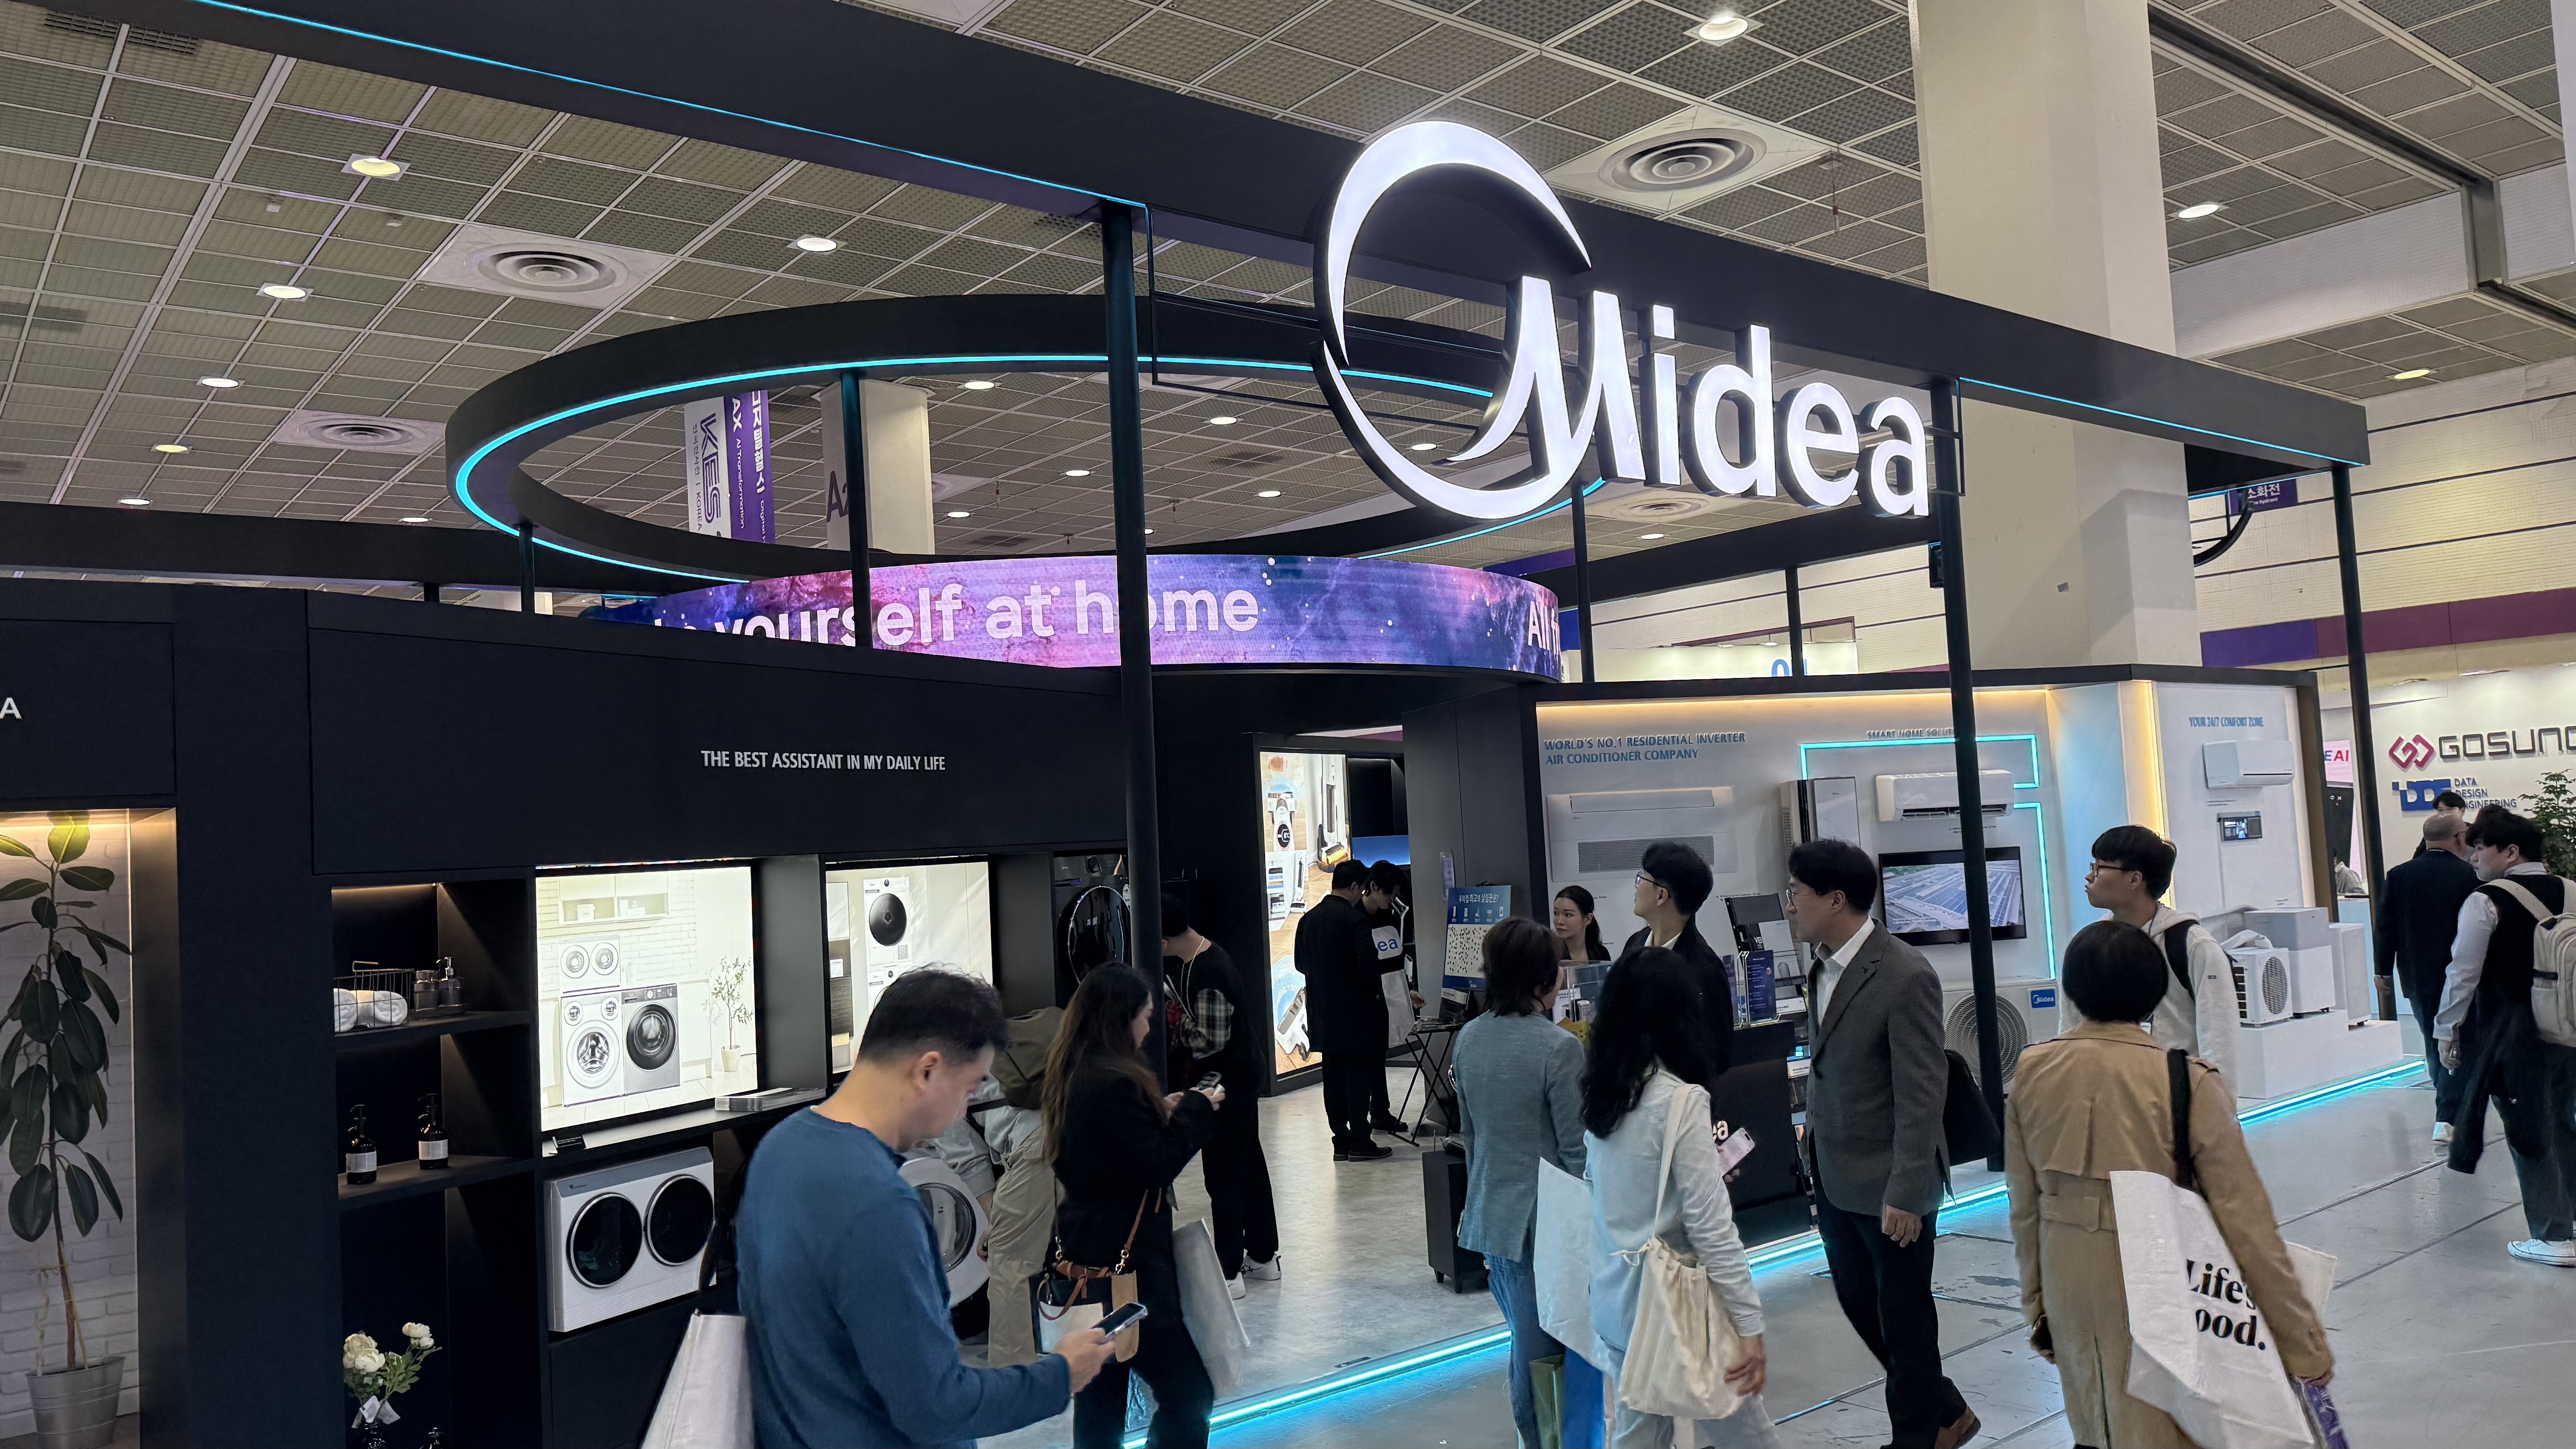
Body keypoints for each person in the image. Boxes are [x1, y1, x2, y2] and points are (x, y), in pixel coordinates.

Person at [737, 970, 1115, 1448]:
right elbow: (937, 1407)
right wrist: (1061, 1375)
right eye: (970, 1088)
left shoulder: (778, 1149)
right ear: (928, 1070)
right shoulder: (878, 1206)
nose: (964, 1111)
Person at [2007, 920, 2332, 1447]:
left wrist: (2037, 1303)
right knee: (2163, 1426)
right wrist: (2301, 1342)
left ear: (2072, 988)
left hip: (2069, 1274)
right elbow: (2247, 1225)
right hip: (2162, 1275)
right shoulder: (2186, 1079)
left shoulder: (2032, 1070)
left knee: (2096, 1421)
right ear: (2154, 992)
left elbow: (2024, 1204)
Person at [1783, 839, 1974, 1449]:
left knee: (1905, 1320)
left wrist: (1908, 1191)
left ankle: (1918, 1438)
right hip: (1835, 1173)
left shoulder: (1904, 975)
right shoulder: (1822, 965)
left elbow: (1922, 1092)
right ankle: (1946, 1410)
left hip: (1890, 1179)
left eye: (1797, 893)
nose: (1789, 904)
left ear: (1835, 899)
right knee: (1859, 1302)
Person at [1581, 946, 1774, 1449]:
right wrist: (1748, 1321)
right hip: (1676, 1310)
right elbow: (1711, 1227)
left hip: (1618, 1301)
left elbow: (1609, 1193)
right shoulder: (1681, 1100)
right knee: (1748, 1434)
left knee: (1639, 1435)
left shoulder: (1605, 1096)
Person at [1044, 965, 1224, 1447]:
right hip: (1128, 1266)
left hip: (1084, 1254)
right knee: (1188, 1393)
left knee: (1100, 1400)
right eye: (1145, 1016)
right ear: (1121, 1019)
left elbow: (1112, 1149)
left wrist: (1158, 1111)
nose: (1150, 1028)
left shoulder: (1074, 1071)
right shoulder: (1113, 1082)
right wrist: (1196, 1109)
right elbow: (1155, 1164)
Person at [1453, 916, 1590, 1448]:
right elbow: (1575, 1152)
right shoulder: (1558, 1047)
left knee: (1527, 1349)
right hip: (1547, 1229)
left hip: (1492, 1218)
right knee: (1544, 1362)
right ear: (1545, 979)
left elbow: (1470, 1135)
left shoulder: (1469, 1038)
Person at [2436, 807, 2576, 1267]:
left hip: (2513, 1034)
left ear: (2511, 852)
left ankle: (2553, 1236)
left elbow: (2463, 973)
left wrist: (2446, 1029)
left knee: (2527, 1127)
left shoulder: (2486, 901)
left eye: (2481, 848)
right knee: (2564, 1121)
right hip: (2570, 1028)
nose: (2473, 857)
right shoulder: (2571, 891)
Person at [1161, 894, 1280, 1294]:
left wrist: (1175, 1022)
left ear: (1162, 938)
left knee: (1224, 1175)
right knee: (1249, 1168)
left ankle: (1229, 1272)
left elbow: (1209, 1041)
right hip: (1239, 1075)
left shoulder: (1210, 971)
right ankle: (1263, 1256)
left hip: (1228, 1083)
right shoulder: (1202, 957)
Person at [2084, 825, 2240, 1090]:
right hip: (2111, 1097)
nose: (2090, 877)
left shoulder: (2194, 946)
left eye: (2100, 868)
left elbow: (2219, 1043)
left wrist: (2217, 1108)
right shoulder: (2090, 946)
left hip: (2175, 1098)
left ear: (2135, 880)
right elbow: (2073, 1031)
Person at [2378, 810, 2477, 1142]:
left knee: (2433, 1040)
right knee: (2458, 1039)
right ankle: (2448, 1114)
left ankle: (2445, 1098)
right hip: (2460, 973)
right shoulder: (2470, 875)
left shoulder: (2399, 875)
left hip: (2416, 976)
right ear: (2460, 837)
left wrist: (2382, 970)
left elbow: (2386, 926)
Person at [1296, 858, 1400, 1160]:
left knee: (1333, 1079)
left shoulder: (1308, 920)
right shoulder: (1355, 920)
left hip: (1322, 1014)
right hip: (1356, 1015)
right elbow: (1368, 966)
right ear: (1355, 887)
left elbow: (1300, 963)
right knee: (1357, 1079)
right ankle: (1361, 1141)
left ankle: (1340, 1142)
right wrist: (1373, 993)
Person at [1620, 840, 1736, 1073]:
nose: (1637, 886)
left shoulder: (1704, 968)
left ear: (1661, 895)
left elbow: (1719, 1054)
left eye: (1642, 878)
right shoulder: (1635, 944)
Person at [1362, 861, 1422, 1134]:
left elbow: (1393, 963)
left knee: (1378, 1058)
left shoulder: (1390, 918)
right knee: (1365, 1061)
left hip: (1387, 999)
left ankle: (1381, 1112)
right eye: (1390, 893)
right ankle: (1365, 1117)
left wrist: (1406, 991)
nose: (1393, 899)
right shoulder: (1355, 920)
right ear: (1373, 887)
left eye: (1397, 894)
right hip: (1364, 1000)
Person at [1555, 884, 1608, 1006]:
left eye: (1568, 915)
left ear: (1588, 919)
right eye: (1556, 913)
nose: (1560, 921)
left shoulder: (1600, 953)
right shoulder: (1550, 954)